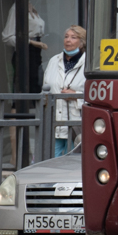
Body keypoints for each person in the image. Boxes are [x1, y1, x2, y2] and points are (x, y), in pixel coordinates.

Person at [42, 25, 87, 158]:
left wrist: (76, 96)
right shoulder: (54, 61)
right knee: (51, 162)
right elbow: (45, 88)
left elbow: (95, 95)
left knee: (74, 163)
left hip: (76, 124)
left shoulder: (88, 63)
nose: (68, 40)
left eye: (73, 37)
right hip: (55, 122)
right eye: (66, 37)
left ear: (82, 42)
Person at [2, 0, 47, 91]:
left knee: (36, 86)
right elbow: (7, 37)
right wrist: (31, 42)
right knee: (24, 89)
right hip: (25, 52)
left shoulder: (31, 7)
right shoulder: (17, 8)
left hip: (36, 53)